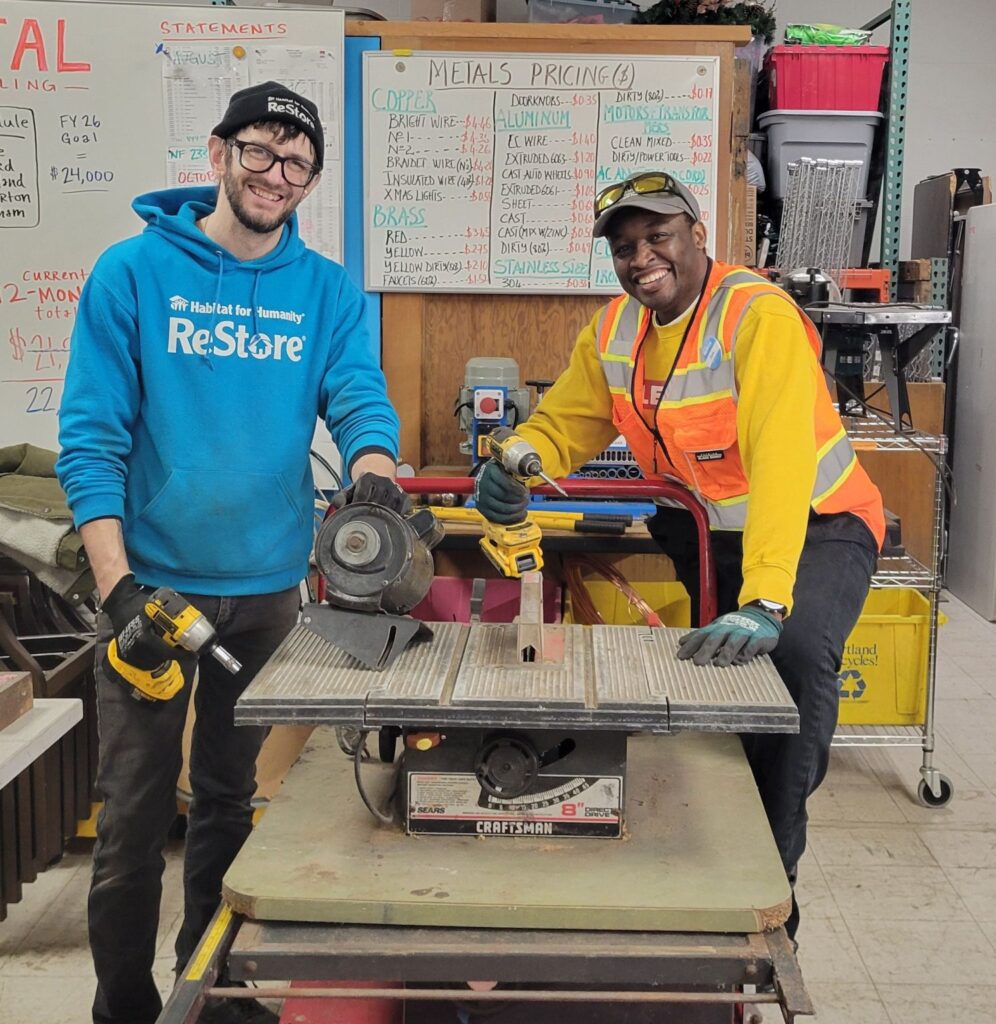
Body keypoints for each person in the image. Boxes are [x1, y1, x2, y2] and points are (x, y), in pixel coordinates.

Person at [56, 82, 407, 1024]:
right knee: (131, 820)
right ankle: (122, 1006)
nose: (276, 175)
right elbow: (91, 442)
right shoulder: (130, 274)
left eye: (296, 163)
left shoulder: (325, 290)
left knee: (227, 801)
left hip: (266, 597)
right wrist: (117, 585)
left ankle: (210, 989)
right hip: (152, 594)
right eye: (260, 152)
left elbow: (360, 397)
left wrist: (372, 471)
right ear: (219, 154)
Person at [474, 171, 884, 940]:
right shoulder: (614, 332)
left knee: (789, 666)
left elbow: (784, 462)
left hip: (818, 525)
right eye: (624, 248)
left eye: (657, 236)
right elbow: (570, 419)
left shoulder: (756, 315)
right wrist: (513, 457)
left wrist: (765, 599)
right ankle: (714, 855)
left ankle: (773, 887)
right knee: (721, 696)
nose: (641, 258)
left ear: (698, 234)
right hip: (708, 533)